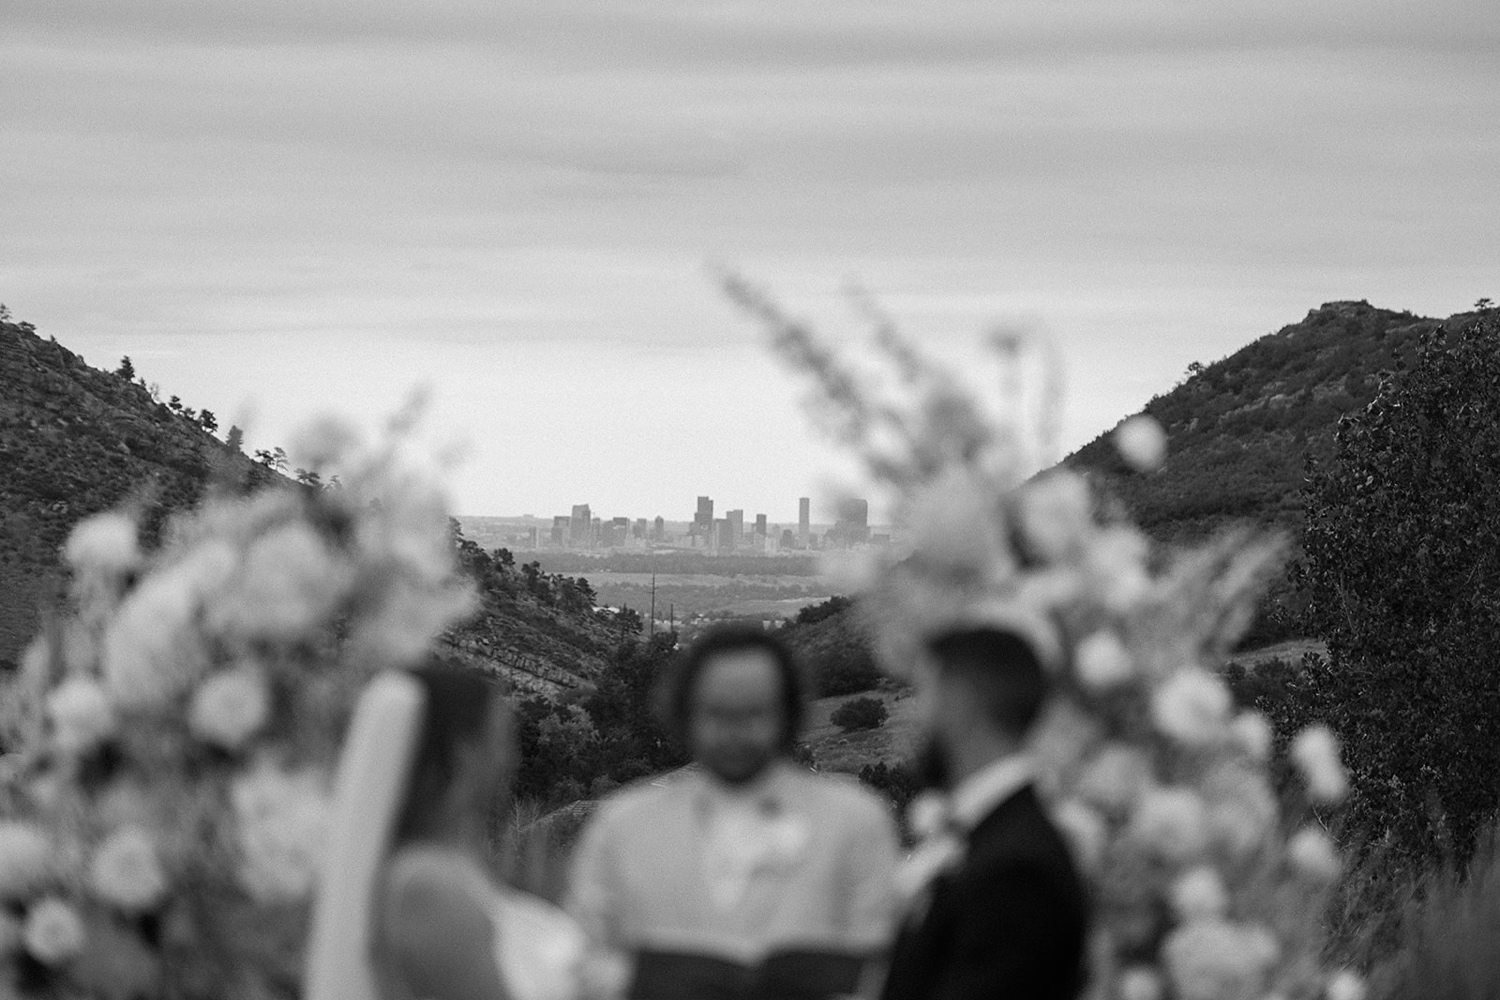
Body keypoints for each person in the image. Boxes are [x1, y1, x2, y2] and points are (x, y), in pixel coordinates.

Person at [568, 625, 902, 1000]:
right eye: (718, 714)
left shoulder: (855, 820)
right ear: (686, 713)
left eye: (754, 713)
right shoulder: (624, 825)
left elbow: (882, 967)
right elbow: (586, 959)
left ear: (787, 713)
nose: (735, 733)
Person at [306, 664, 584, 1000]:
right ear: (463, 752)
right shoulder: (428, 886)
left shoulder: (450, 866)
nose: (512, 759)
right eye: (500, 738)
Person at [880, 626, 1088, 1000]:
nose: (911, 715)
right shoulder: (990, 835)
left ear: (960, 701)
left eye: (920, 693)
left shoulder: (1017, 870)